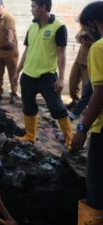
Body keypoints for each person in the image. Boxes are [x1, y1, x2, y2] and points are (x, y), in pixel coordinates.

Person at [13, 0, 73, 149]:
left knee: (57, 109)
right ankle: (30, 136)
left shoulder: (59, 27)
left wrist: (61, 78)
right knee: (28, 107)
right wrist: (17, 71)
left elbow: (61, 54)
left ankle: (71, 141)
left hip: (47, 77)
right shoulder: (32, 27)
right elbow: (27, 51)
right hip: (28, 76)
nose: (31, 9)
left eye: (34, 6)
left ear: (43, 7)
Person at [72, 2, 103, 223]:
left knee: (96, 189)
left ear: (93, 23)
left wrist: (82, 128)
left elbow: (100, 95)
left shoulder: (99, 48)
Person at [0, 0, 19, 104]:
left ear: (3, 6)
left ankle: (14, 94)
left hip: (10, 51)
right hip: (0, 51)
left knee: (12, 74)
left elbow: (10, 30)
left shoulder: (8, 17)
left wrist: (10, 40)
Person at [67, 30, 91, 109]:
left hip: (89, 63)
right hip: (78, 60)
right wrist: (81, 38)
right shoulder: (86, 27)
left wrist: (91, 42)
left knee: (85, 86)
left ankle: (85, 107)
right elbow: (77, 37)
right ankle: (74, 101)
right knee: (72, 82)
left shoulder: (98, 28)